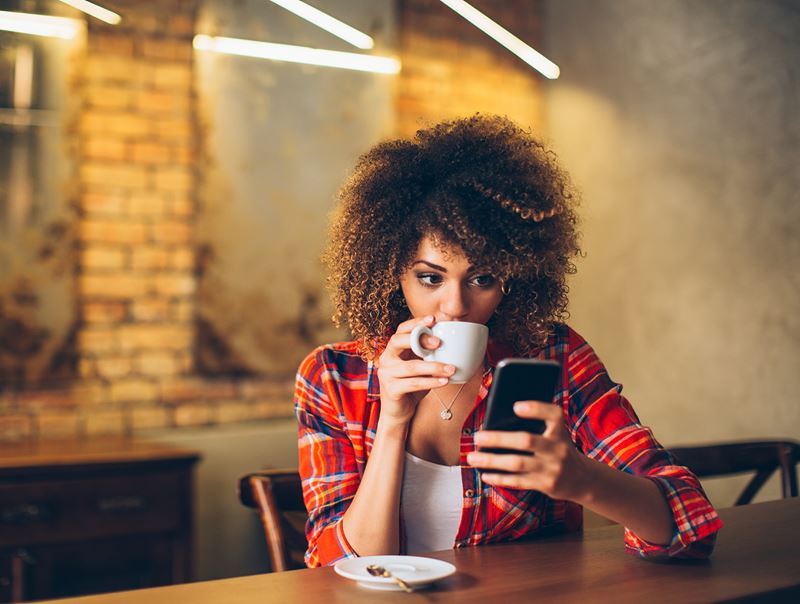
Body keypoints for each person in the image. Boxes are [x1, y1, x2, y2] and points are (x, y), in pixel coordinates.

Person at [295, 114, 722, 568]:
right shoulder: (334, 378)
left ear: (513, 278)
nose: (455, 305)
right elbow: (339, 569)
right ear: (390, 270)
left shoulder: (552, 356)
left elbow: (690, 526)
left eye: (482, 277)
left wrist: (581, 479)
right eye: (429, 278)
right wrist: (393, 423)